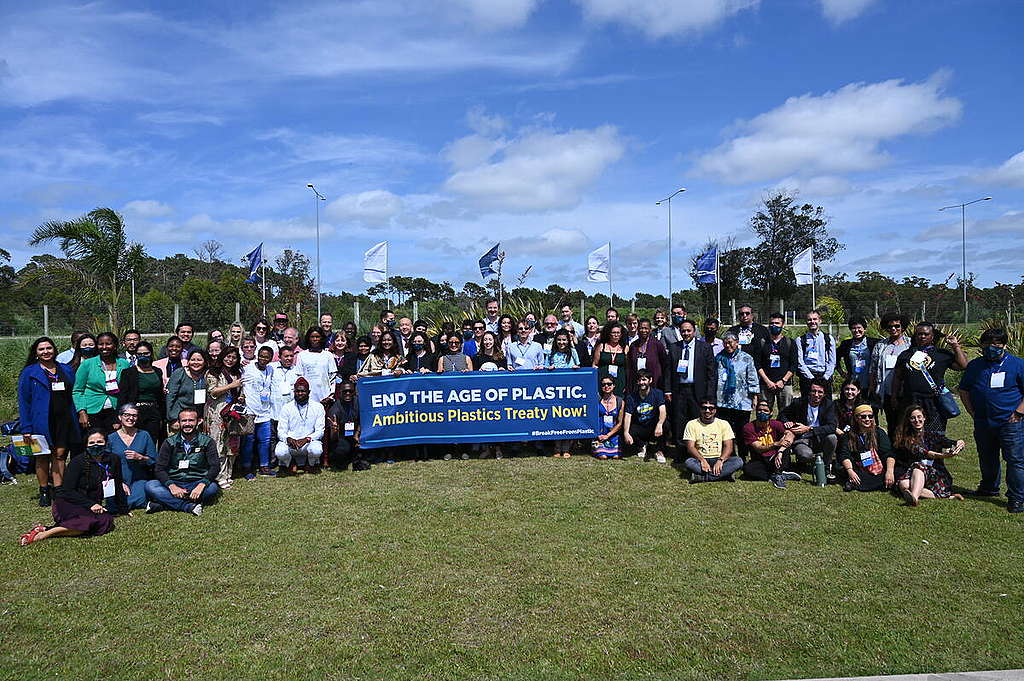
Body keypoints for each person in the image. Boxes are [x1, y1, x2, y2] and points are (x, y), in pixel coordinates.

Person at [19, 429, 126, 546]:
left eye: (100, 442)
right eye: (91, 443)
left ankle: (46, 529)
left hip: (93, 505)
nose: (96, 445)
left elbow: (117, 483)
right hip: (69, 502)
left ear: (106, 443)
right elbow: (67, 491)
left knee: (106, 521)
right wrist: (90, 505)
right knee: (86, 521)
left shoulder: (113, 459)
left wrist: (123, 508)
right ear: (86, 445)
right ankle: (43, 535)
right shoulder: (77, 462)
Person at [958, 328, 1024, 511]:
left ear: (1004, 345)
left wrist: (1018, 413)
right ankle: (989, 488)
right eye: (987, 345)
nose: (991, 348)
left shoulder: (1017, 365)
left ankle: (1017, 497)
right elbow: (964, 390)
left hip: (1010, 423)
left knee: (1015, 460)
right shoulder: (976, 365)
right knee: (987, 457)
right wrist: (972, 412)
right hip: (983, 421)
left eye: (996, 345)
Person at [18, 336, 80, 507]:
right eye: (41, 349)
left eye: (49, 348)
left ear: (54, 350)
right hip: (40, 421)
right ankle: (44, 489)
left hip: (64, 419)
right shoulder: (29, 373)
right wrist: (26, 427)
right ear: (36, 353)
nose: (46, 352)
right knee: (42, 456)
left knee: (60, 455)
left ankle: (59, 490)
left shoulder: (66, 370)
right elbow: (24, 402)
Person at [891, 322, 967, 433]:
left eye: (926, 334)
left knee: (935, 433)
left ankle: (935, 450)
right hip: (910, 401)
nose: (922, 337)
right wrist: (894, 397)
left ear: (932, 336)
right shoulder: (905, 355)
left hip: (933, 402)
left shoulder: (941, 354)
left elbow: (963, 365)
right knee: (911, 433)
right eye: (919, 334)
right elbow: (897, 377)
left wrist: (955, 346)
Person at [144, 408, 220, 515]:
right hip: (175, 481)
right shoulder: (169, 442)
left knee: (212, 488)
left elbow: (215, 466)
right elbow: (159, 469)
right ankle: (187, 506)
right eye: (184, 421)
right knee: (150, 486)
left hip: (197, 481)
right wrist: (172, 486)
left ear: (198, 421)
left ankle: (164, 504)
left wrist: (202, 484)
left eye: (191, 420)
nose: (187, 424)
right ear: (178, 423)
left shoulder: (207, 442)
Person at [893, 405, 966, 506]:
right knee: (904, 484)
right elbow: (921, 451)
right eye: (913, 418)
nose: (916, 420)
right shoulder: (906, 437)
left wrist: (960, 442)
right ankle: (949, 497)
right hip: (914, 472)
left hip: (934, 473)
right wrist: (942, 455)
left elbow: (949, 442)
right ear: (909, 420)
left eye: (919, 417)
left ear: (924, 418)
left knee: (918, 468)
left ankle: (913, 498)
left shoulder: (932, 435)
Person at [664, 319, 717, 451]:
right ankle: (681, 450)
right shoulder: (674, 347)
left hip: (697, 390)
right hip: (679, 390)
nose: (686, 333)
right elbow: (668, 371)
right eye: (683, 331)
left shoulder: (705, 348)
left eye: (688, 330)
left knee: (696, 419)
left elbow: (711, 374)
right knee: (679, 420)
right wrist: (668, 390)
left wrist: (709, 394)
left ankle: (697, 449)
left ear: (694, 331)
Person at [73, 331, 129, 433]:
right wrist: (82, 412)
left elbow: (128, 390)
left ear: (115, 346)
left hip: (116, 411)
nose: (104, 347)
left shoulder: (124, 364)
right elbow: (77, 390)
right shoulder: (88, 364)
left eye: (108, 344)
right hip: (92, 411)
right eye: (100, 344)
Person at [780, 379, 838, 477]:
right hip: (802, 439)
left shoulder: (829, 405)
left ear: (824, 394)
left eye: (820, 392)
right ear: (809, 391)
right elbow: (782, 415)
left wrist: (809, 429)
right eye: (813, 391)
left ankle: (826, 467)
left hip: (819, 437)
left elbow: (832, 427)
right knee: (805, 455)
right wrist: (787, 422)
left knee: (832, 438)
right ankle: (802, 463)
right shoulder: (799, 402)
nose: (816, 394)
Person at [715, 332, 760, 458]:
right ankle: (730, 455)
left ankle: (743, 455)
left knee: (742, 430)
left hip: (742, 401)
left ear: (737, 343)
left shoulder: (746, 358)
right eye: (725, 342)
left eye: (731, 342)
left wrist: (755, 396)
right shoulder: (719, 358)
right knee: (727, 431)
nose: (728, 345)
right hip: (723, 401)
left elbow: (752, 378)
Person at [837, 404, 901, 493]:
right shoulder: (848, 435)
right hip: (860, 467)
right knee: (848, 472)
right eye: (863, 417)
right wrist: (850, 471)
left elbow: (888, 453)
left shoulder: (879, 432)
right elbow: (844, 455)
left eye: (870, 416)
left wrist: (889, 472)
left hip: (879, 467)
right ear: (856, 418)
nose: (867, 419)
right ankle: (883, 483)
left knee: (897, 472)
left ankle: (859, 483)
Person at [206, 345, 243, 490]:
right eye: (228, 356)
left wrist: (241, 397)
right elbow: (213, 392)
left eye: (234, 357)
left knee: (232, 444)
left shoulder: (237, 373)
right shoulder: (213, 372)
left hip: (233, 413)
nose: (230, 360)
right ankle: (219, 476)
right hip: (218, 413)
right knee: (218, 443)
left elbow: (240, 390)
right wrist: (231, 385)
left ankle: (228, 474)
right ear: (222, 356)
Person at [107, 404, 157, 510]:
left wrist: (141, 458)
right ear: (120, 417)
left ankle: (124, 505)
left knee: (140, 496)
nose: (131, 418)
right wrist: (118, 482)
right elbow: (106, 464)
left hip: (139, 479)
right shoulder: (111, 438)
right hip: (118, 479)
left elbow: (153, 460)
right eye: (127, 415)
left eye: (134, 416)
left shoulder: (144, 435)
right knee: (113, 501)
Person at [116, 340, 166, 445]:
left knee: (151, 443)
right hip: (135, 412)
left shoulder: (157, 371)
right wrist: (120, 416)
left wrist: (162, 416)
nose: (143, 356)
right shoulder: (128, 373)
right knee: (135, 443)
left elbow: (160, 396)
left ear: (151, 354)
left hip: (153, 412)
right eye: (139, 354)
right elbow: (122, 396)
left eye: (146, 353)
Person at [868, 311, 911, 429]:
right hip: (886, 391)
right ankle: (893, 445)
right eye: (890, 326)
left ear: (903, 327)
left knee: (906, 422)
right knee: (891, 422)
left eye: (897, 326)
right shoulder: (880, 345)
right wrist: (872, 386)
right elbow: (872, 368)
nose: (893, 328)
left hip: (905, 391)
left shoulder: (910, 344)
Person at [275, 378, 326, 475]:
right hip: (291, 444)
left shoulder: (318, 407)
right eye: (297, 391)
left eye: (303, 391)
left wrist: (307, 439)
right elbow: (281, 431)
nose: (300, 393)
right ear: (294, 392)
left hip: (308, 443)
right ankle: (290, 464)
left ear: (309, 392)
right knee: (280, 451)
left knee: (316, 449)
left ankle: (310, 465)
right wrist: (288, 439)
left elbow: (320, 431)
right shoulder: (286, 407)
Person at [742, 400, 798, 489]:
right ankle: (777, 475)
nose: (762, 412)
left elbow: (790, 435)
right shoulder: (748, 427)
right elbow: (758, 448)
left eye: (765, 410)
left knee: (785, 446)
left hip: (776, 457)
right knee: (747, 470)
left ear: (771, 413)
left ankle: (778, 474)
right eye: (759, 410)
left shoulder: (776, 424)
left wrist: (780, 451)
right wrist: (775, 444)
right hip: (760, 459)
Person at [683, 401, 742, 483]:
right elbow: (690, 447)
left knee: (738, 461)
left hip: (719, 458)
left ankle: (703, 477)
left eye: (711, 408)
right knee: (689, 462)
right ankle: (724, 475)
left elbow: (728, 446)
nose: (707, 411)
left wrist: (720, 461)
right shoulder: (692, 424)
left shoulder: (723, 424)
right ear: (700, 409)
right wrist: (702, 460)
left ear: (715, 410)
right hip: (700, 459)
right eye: (704, 408)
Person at [240, 346, 276, 478]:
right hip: (250, 410)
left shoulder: (271, 369)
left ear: (271, 359)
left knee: (265, 440)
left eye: (266, 357)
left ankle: (264, 466)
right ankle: (246, 468)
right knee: (249, 440)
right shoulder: (248, 368)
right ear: (257, 355)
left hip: (265, 411)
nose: (263, 359)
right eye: (261, 355)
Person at [756, 313, 798, 412]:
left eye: (777, 323)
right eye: (771, 323)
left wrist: (783, 381)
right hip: (765, 384)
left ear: (782, 325)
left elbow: (794, 364)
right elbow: (757, 364)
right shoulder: (762, 342)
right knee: (764, 412)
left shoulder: (790, 342)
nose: (773, 325)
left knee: (787, 413)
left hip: (785, 384)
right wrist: (767, 381)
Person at [623, 369, 667, 463]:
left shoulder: (658, 393)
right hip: (640, 425)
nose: (641, 382)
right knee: (628, 430)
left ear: (650, 380)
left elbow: (663, 411)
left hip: (653, 425)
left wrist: (659, 424)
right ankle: (642, 445)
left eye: (644, 380)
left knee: (666, 424)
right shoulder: (631, 396)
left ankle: (658, 450)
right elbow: (627, 415)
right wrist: (626, 433)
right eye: (639, 380)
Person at [795, 310, 837, 397]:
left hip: (824, 376)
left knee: (826, 405)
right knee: (806, 405)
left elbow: (832, 361)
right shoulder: (800, 340)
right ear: (806, 322)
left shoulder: (828, 339)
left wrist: (825, 377)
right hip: (807, 377)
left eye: (815, 319)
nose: (812, 322)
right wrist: (811, 378)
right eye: (809, 320)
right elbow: (800, 362)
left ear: (820, 321)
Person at [166, 349, 210, 428]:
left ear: (204, 362)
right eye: (192, 360)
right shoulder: (179, 373)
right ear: (188, 361)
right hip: (180, 417)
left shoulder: (207, 374)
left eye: (199, 360)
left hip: (199, 419)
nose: (195, 362)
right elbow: (170, 397)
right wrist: (173, 418)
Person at [626, 318, 668, 394]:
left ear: (650, 330)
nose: (643, 330)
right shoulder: (633, 345)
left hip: (654, 384)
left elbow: (664, 364)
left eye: (646, 328)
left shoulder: (657, 344)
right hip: (637, 384)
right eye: (641, 328)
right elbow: (630, 366)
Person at [837, 316, 878, 392]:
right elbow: (835, 357)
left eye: (859, 328)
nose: (856, 330)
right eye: (853, 328)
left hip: (870, 383)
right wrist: (841, 372)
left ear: (864, 329)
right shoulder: (846, 344)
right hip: (853, 384)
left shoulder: (874, 343)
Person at [328, 381, 362, 470]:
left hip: (356, 434)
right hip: (341, 437)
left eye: (350, 391)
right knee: (342, 449)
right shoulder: (334, 410)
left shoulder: (358, 402)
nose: (348, 393)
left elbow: (361, 420)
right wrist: (334, 431)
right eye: (345, 391)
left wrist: (357, 434)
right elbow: (333, 439)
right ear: (340, 393)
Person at [296, 326, 334, 404]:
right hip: (307, 397)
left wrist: (330, 396)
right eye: (312, 337)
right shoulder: (302, 355)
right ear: (308, 338)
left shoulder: (328, 355)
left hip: (324, 397)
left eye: (317, 337)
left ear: (322, 338)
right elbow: (299, 376)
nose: (315, 339)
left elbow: (332, 377)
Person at [592, 322, 628, 395]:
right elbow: (595, 365)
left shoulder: (625, 348)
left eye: (618, 333)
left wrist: (626, 384)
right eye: (613, 333)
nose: (616, 335)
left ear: (621, 335)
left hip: (619, 381)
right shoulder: (602, 346)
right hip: (603, 381)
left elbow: (627, 367)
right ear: (609, 334)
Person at [593, 377, 624, 460]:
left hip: (613, 434)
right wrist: (598, 434)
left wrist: (608, 435)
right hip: (599, 435)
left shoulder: (620, 401)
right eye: (603, 384)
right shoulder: (596, 400)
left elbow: (620, 423)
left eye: (609, 384)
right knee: (603, 457)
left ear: (614, 386)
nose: (606, 386)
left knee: (616, 456)